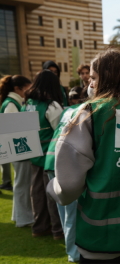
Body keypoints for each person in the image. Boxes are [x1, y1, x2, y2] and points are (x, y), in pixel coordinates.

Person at [46, 49, 120, 263]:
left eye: (92, 78)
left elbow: (68, 186)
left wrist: (52, 188)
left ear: (105, 78)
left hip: (102, 234)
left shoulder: (89, 113)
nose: (89, 84)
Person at [44, 85, 87, 262]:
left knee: (64, 213)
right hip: (64, 163)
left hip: (51, 160)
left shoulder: (67, 110)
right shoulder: (86, 111)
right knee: (72, 214)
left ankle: (71, 251)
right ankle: (73, 254)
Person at [21, 70, 64, 239]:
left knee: (37, 192)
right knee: (52, 193)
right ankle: (57, 229)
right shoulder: (51, 105)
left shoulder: (27, 104)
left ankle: (40, 226)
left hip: (32, 153)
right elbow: (61, 131)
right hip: (49, 156)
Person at [0, 75, 35, 227]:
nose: (29, 91)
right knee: (22, 184)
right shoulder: (11, 103)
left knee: (20, 183)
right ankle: (24, 219)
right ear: (17, 88)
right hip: (18, 147)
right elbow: (12, 129)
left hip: (18, 147)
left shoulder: (12, 102)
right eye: (27, 88)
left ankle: (19, 216)